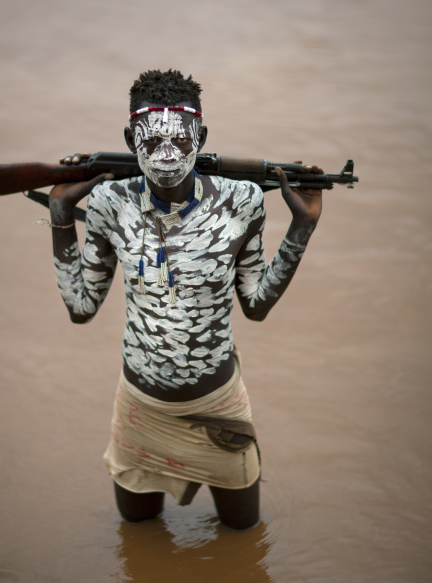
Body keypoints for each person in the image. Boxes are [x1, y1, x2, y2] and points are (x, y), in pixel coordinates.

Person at [49, 69, 323, 530]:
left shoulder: (244, 200)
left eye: (181, 139)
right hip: (140, 411)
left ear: (203, 135)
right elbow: (80, 308)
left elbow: (255, 305)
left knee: (243, 534)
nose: (169, 154)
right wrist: (60, 217)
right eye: (152, 142)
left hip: (219, 408)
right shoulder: (108, 202)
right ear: (129, 138)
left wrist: (302, 227)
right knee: (138, 537)